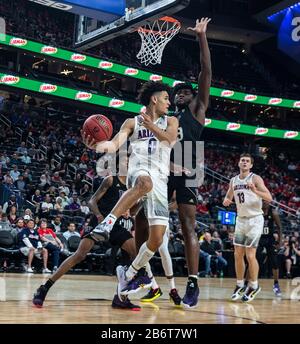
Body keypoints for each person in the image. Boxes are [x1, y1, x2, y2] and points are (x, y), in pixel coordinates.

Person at [135, 17, 212, 309]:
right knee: (143, 217)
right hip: (163, 171)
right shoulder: (164, 117)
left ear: (193, 95)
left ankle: (192, 282)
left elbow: (206, 71)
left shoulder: (197, 108)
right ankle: (141, 271)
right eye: (176, 92)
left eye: (185, 91)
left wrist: (201, 36)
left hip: (190, 171)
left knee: (188, 225)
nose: (180, 94)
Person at [83, 81, 178, 301]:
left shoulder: (171, 120)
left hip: (161, 180)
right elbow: (113, 146)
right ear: (154, 99)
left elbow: (170, 139)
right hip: (139, 171)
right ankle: (107, 223)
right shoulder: (131, 122)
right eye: (165, 98)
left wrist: (152, 126)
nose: (169, 102)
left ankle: (130, 274)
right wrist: (96, 146)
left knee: (156, 240)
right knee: (144, 184)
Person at [32, 158, 140, 310]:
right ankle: (44, 288)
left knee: (136, 253)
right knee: (79, 255)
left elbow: (132, 211)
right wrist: (99, 216)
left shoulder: (133, 186)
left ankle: (121, 297)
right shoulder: (110, 180)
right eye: (126, 162)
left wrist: (139, 204)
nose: (128, 164)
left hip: (118, 226)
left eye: (130, 162)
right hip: (102, 223)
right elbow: (92, 201)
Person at [223, 153, 272, 302]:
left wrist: (255, 191)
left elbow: (269, 197)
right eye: (242, 160)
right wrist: (226, 200)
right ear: (238, 163)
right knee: (238, 254)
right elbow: (228, 196)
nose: (244, 162)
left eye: (247, 161)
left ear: (251, 165)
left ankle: (254, 285)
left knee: (250, 255)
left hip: (255, 219)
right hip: (241, 220)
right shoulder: (233, 180)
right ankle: (239, 284)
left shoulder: (255, 178)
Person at [256, 201, 282, 296]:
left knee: (274, 262)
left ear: (269, 202)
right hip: (259, 238)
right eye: (262, 201)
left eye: (266, 200)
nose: (264, 202)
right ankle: (249, 284)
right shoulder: (257, 212)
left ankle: (276, 285)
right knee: (253, 260)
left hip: (269, 239)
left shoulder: (273, 212)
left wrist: (279, 242)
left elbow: (279, 227)